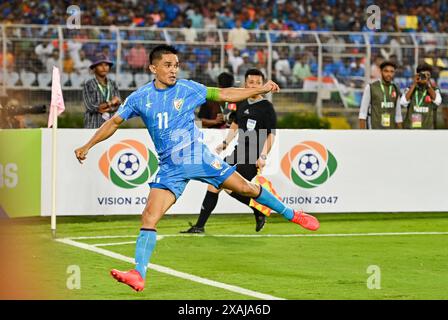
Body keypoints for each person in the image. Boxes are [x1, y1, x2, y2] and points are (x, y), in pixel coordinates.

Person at [74, 45, 319, 292]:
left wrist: (259, 89)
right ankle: (138, 273)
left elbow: (225, 94)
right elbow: (114, 122)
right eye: (168, 65)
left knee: (245, 188)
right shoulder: (140, 98)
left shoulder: (188, 88)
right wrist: (88, 145)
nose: (173, 70)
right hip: (170, 168)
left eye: (176, 65)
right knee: (149, 216)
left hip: (198, 158)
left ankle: (292, 214)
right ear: (153, 68)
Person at [181, 69, 275, 234]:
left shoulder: (266, 107)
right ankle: (200, 226)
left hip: (253, 154)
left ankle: (258, 209)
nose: (254, 85)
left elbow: (271, 134)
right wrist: (225, 142)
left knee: (228, 185)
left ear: (262, 85)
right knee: (214, 183)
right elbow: (236, 124)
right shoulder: (242, 102)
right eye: (251, 82)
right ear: (246, 84)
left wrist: (263, 156)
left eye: (258, 83)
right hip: (238, 151)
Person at [359, 61, 403, 129]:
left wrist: (401, 133)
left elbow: (398, 115)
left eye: (392, 72)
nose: (389, 74)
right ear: (381, 71)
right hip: (374, 129)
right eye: (386, 71)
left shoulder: (396, 88)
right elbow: (362, 113)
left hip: (391, 131)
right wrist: (362, 134)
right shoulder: (371, 87)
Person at [82, 53, 121, 128]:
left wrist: (103, 107)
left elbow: (118, 104)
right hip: (93, 123)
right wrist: (111, 103)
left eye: (106, 65)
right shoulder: (88, 84)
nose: (104, 68)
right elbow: (90, 106)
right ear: (94, 68)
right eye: (100, 65)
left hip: (110, 124)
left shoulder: (113, 84)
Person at [400, 63, 442, 129]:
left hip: (427, 129)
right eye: (423, 75)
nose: (425, 77)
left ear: (430, 76)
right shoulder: (410, 89)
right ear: (418, 75)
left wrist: (427, 86)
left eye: (428, 75)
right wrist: (414, 84)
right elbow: (403, 102)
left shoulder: (434, 90)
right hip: (411, 129)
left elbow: (437, 101)